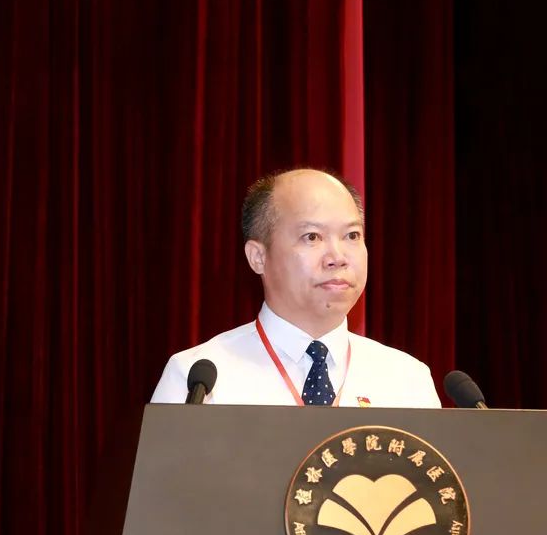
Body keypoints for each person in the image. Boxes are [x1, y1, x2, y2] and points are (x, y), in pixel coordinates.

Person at [150, 168, 441, 408]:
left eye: (352, 235)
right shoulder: (199, 382)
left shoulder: (407, 380)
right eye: (312, 237)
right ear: (258, 257)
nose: (337, 257)